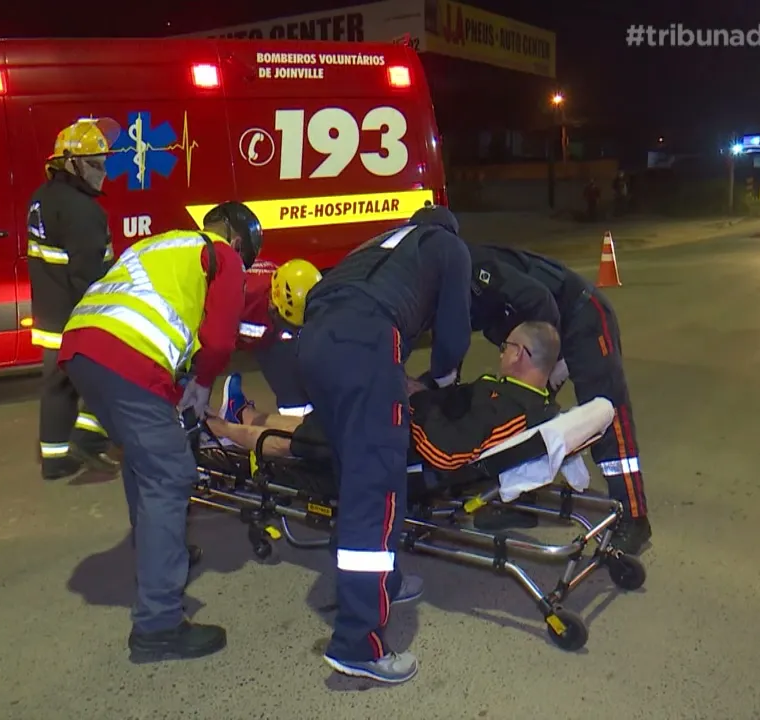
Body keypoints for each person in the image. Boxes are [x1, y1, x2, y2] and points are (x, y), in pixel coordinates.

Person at [57, 201, 263, 663]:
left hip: (83, 348)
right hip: (128, 356)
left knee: (144, 460)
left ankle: (160, 552)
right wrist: (205, 383)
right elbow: (222, 338)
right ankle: (158, 626)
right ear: (236, 241)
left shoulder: (162, 244)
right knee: (170, 473)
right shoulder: (222, 256)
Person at [296, 205, 473, 684]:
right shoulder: (448, 245)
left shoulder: (381, 242)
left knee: (350, 472)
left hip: (314, 337)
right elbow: (454, 333)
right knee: (375, 487)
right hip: (366, 339)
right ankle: (359, 643)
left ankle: (380, 585)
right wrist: (438, 381)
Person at [464, 243, 652, 554]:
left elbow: (541, 302)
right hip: (536, 336)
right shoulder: (443, 288)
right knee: (515, 410)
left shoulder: (476, 268)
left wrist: (543, 364)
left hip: (580, 317)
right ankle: (519, 498)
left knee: (606, 411)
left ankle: (634, 517)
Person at [208, 322, 562, 473]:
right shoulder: (516, 395)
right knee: (319, 420)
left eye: (506, 347)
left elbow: (449, 451)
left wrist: (411, 406)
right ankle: (243, 416)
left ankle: (216, 429)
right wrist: (418, 391)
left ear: (521, 355)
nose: (501, 353)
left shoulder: (516, 409)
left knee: (296, 439)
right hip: (404, 423)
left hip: (395, 441)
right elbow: (459, 411)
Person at [27, 118, 121, 481]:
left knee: (58, 386)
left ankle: (54, 458)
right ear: (72, 162)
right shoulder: (83, 210)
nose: (103, 172)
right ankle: (89, 439)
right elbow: (88, 274)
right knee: (111, 376)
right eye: (95, 164)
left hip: (50, 316)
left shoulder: (42, 197)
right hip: (79, 317)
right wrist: (105, 318)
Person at [221, 259, 323, 422]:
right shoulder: (235, 295)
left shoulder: (290, 286)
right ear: (272, 303)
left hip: (265, 335)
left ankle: (238, 414)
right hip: (207, 329)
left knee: (298, 401)